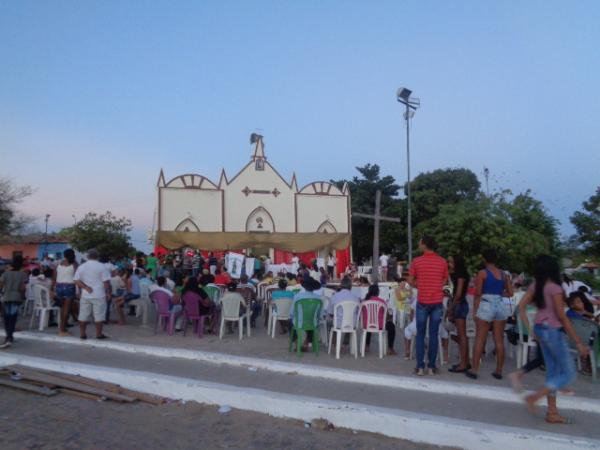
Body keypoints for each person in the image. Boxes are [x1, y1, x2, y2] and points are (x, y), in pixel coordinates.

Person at [518, 255, 588, 424]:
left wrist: (530, 329)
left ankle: (552, 412)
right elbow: (562, 316)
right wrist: (578, 341)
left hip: (541, 330)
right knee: (569, 372)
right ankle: (534, 397)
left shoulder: (536, 286)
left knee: (553, 372)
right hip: (552, 331)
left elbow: (521, 307)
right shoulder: (555, 288)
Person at [466, 249, 513, 380]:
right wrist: (498, 294)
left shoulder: (482, 273)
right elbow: (510, 293)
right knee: (499, 340)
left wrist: (475, 311)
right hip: (500, 304)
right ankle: (499, 370)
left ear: (484, 259)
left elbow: (478, 293)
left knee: (480, 338)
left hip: (486, 304)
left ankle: (474, 370)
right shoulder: (504, 274)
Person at [408, 236, 449, 376]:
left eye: (419, 243)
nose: (418, 245)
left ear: (424, 245)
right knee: (433, 334)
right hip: (437, 302)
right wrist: (437, 285)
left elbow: (410, 280)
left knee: (420, 334)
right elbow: (445, 279)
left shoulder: (417, 261)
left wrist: (420, 285)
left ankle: (420, 367)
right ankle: (431, 367)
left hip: (423, 301)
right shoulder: (442, 261)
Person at [73, 249, 111, 340]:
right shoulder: (102, 266)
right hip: (99, 294)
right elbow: (106, 282)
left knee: (83, 315)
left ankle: (82, 334)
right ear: (97, 257)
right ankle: (98, 334)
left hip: (86, 295)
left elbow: (76, 280)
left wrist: (85, 287)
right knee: (99, 315)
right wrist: (108, 292)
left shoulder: (82, 266)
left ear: (87, 256)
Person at [447, 255, 471, 373]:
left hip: (459, 303)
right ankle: (465, 361)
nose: (449, 264)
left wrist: (451, 307)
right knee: (462, 335)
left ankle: (463, 364)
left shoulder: (460, 275)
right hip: (461, 303)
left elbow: (458, 293)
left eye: (451, 262)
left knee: (461, 335)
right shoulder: (462, 274)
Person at [0, 255, 28, 348]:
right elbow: (23, 288)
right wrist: (23, 295)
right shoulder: (23, 274)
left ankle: (8, 336)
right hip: (16, 297)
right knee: (13, 317)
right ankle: (9, 337)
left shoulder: (5, 273)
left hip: (6, 297)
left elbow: (1, 285)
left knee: (7, 318)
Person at [362, 284, 397, 355]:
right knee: (391, 326)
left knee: (370, 322)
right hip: (380, 325)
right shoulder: (382, 301)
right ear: (377, 292)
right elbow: (386, 315)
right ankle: (390, 348)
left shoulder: (364, 301)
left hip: (366, 325)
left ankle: (366, 345)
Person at [289, 276, 323, 352]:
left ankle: (298, 343)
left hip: (299, 322)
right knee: (312, 322)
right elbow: (320, 315)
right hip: (312, 323)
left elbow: (291, 313)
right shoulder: (318, 298)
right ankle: (306, 342)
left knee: (291, 322)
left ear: (304, 286)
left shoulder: (298, 296)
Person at [51, 249, 79, 336]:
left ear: (64, 255)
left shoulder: (58, 264)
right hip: (69, 287)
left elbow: (54, 277)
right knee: (67, 309)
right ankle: (62, 329)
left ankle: (62, 327)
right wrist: (78, 291)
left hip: (59, 287)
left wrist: (53, 289)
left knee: (62, 308)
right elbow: (77, 278)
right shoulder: (74, 264)